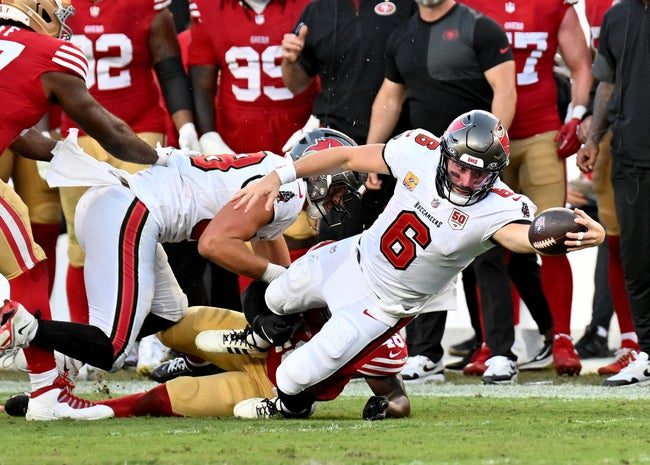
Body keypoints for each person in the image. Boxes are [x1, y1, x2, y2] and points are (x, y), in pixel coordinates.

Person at [222, 110, 605, 418]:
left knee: (293, 379)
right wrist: (279, 174)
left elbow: (522, 238)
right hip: (353, 258)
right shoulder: (419, 150)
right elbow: (346, 155)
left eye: (479, 173)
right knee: (275, 295)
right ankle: (263, 338)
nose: (467, 180)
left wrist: (576, 238)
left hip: (382, 306)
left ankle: (287, 407)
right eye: (459, 168)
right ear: (446, 153)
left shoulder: (499, 207)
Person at [0, 128, 366, 379]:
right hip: (129, 211)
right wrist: (277, 278)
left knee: (169, 311)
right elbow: (214, 246)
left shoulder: (279, 182)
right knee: (110, 346)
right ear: (321, 170)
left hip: (122, 205)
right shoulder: (288, 193)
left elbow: (280, 271)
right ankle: (21, 327)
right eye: (338, 189)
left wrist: (297, 294)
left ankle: (65, 355)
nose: (337, 201)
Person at [0, 0, 180, 420]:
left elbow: (20, 134)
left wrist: (67, 150)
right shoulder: (49, 54)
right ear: (38, 12)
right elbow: (112, 131)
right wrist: (165, 161)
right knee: (28, 269)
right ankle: (48, 394)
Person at [364, 0, 516, 383]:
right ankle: (426, 353)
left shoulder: (480, 28)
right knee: (423, 255)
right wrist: (372, 155)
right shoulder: (402, 34)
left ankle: (500, 351)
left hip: (477, 166)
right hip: (430, 165)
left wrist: (490, 154)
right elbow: (390, 98)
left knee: (488, 257)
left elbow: (505, 90)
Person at [461, 0, 593, 378]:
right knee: (488, 244)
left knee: (555, 234)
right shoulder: (470, 8)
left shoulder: (555, 6)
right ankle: (495, 340)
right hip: (486, 138)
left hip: (540, 132)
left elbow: (581, 66)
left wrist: (577, 115)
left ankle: (562, 337)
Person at [3, 305, 410, 420]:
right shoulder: (328, 261)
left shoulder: (377, 325)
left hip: (270, 390)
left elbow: (396, 395)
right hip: (252, 345)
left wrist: (388, 408)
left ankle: (85, 410)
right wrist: (264, 313)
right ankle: (76, 355)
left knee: (169, 398)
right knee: (179, 320)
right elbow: (259, 291)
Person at [60, 0, 199, 333]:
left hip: (136, 130)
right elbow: (38, 70)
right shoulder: (57, 6)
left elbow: (169, 68)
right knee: (80, 241)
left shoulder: (147, 5)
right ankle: (83, 336)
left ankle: (151, 333)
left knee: (145, 235)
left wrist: (185, 126)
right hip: (78, 133)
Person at [186, 0, 320, 310]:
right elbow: (202, 79)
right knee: (238, 236)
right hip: (238, 145)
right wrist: (209, 135)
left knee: (300, 232)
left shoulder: (309, 6)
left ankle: (300, 323)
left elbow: (331, 66)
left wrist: (317, 121)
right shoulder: (209, 8)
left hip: (294, 138)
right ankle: (252, 324)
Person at [280, 0, 417, 241]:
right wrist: (289, 61)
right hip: (341, 143)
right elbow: (296, 83)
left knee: (407, 243)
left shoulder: (406, 5)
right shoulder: (318, 9)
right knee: (338, 242)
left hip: (402, 140)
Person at [576, 0, 650, 386]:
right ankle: (648, 351)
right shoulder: (617, 17)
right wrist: (593, 139)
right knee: (637, 261)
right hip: (631, 157)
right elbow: (608, 82)